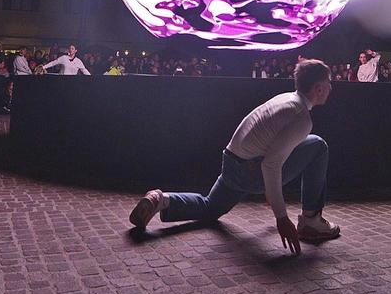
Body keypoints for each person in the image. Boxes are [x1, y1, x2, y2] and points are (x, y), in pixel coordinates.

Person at [127, 59, 341, 255]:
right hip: (251, 172)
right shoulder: (301, 118)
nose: (331, 87)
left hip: (231, 161)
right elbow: (271, 165)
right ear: (318, 88)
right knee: (318, 146)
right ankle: (311, 221)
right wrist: (281, 217)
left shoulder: (285, 98)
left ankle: (161, 200)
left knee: (209, 207)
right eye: (329, 83)